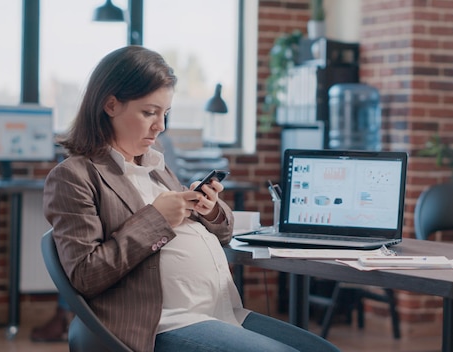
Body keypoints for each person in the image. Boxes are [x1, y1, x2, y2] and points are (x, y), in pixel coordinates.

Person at [42, 45, 340, 352]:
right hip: (160, 323)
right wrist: (157, 220)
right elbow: (85, 275)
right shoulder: (74, 176)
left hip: (222, 313)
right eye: (149, 112)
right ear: (111, 105)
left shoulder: (156, 166)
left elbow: (223, 234)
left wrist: (209, 211)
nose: (161, 126)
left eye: (165, 113)